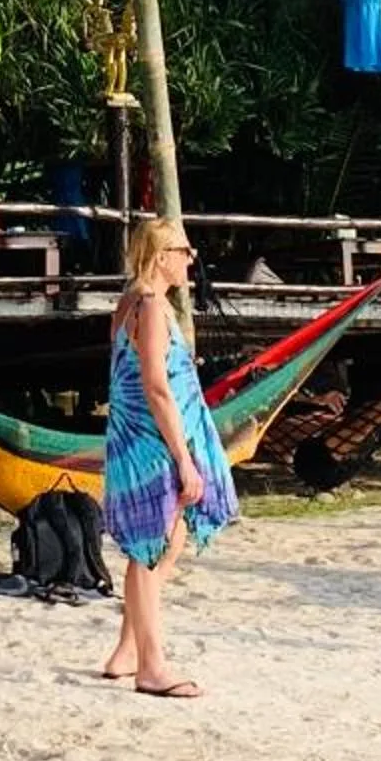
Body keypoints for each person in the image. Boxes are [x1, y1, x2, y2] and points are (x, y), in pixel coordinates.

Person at [100, 217, 238, 698]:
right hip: (152, 442)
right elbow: (156, 388)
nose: (191, 258)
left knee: (161, 541)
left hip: (135, 437)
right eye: (183, 250)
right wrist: (183, 457)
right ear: (161, 256)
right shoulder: (152, 306)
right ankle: (152, 666)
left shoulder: (128, 302)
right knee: (154, 547)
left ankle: (127, 650)